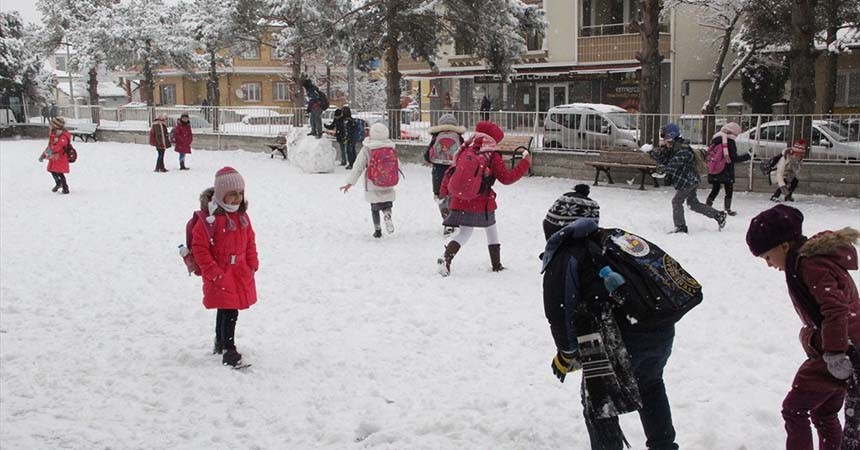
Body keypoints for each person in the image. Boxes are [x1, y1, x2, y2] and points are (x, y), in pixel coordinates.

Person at [541, 184, 680, 450]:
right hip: (657, 328)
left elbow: (559, 313)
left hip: (614, 338)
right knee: (650, 385)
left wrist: (567, 353)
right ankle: (664, 446)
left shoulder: (566, 256)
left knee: (599, 403)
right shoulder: (612, 241)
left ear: (556, 226)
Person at [746, 205, 860, 450]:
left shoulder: (809, 265)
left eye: (767, 256)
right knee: (823, 412)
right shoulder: (806, 261)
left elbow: (836, 309)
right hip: (845, 345)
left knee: (794, 409)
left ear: (784, 246)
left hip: (842, 350)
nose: (768, 264)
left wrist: (834, 353)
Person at [437, 120, 531, 275]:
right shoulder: (492, 155)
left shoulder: (464, 149)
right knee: (491, 229)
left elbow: (451, 173)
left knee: (464, 233)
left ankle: (446, 257)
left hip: (460, 200)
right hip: (481, 202)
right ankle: (496, 265)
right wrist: (524, 163)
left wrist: (443, 193)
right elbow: (506, 178)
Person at [191, 167, 259, 367]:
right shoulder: (210, 220)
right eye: (232, 195)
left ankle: (220, 342)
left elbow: (250, 241)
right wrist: (214, 273)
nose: (237, 199)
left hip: (239, 271)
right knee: (230, 310)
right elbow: (199, 248)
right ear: (221, 195)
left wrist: (252, 262)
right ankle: (229, 350)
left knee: (226, 308)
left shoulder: (242, 216)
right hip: (221, 273)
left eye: (240, 194)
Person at [647, 122, 727, 233]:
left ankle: (681, 227)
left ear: (671, 135)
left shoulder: (683, 149)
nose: (663, 139)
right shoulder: (673, 147)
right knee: (693, 204)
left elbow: (674, 164)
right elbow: (666, 160)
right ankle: (718, 215)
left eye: (664, 136)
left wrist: (663, 171)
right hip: (688, 180)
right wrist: (651, 153)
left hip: (688, 181)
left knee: (676, 201)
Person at [340, 123, 398, 239]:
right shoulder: (390, 147)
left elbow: (358, 166)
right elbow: (396, 165)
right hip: (388, 182)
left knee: (375, 207)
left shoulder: (367, 148)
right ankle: (387, 214)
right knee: (387, 203)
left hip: (373, 182)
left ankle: (377, 230)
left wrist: (350, 183)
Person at [423, 113, 466, 235]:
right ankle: (453, 219)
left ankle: (446, 219)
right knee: (453, 195)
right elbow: (464, 154)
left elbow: (427, 155)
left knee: (441, 196)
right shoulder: (458, 137)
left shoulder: (436, 136)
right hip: (454, 171)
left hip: (438, 171)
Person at [704, 122, 750, 216]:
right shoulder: (730, 142)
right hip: (726, 170)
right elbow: (733, 158)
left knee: (715, 188)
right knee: (728, 189)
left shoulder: (716, 139)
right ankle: (727, 209)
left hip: (715, 167)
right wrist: (747, 156)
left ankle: (708, 205)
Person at [40, 116, 72, 194]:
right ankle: (58, 183)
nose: (50, 126)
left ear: (56, 126)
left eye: (51, 125)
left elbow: (55, 147)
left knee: (60, 173)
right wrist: (43, 155)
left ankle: (65, 188)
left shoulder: (63, 136)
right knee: (52, 170)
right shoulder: (54, 134)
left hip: (61, 158)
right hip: (54, 158)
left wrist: (47, 152)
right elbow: (50, 146)